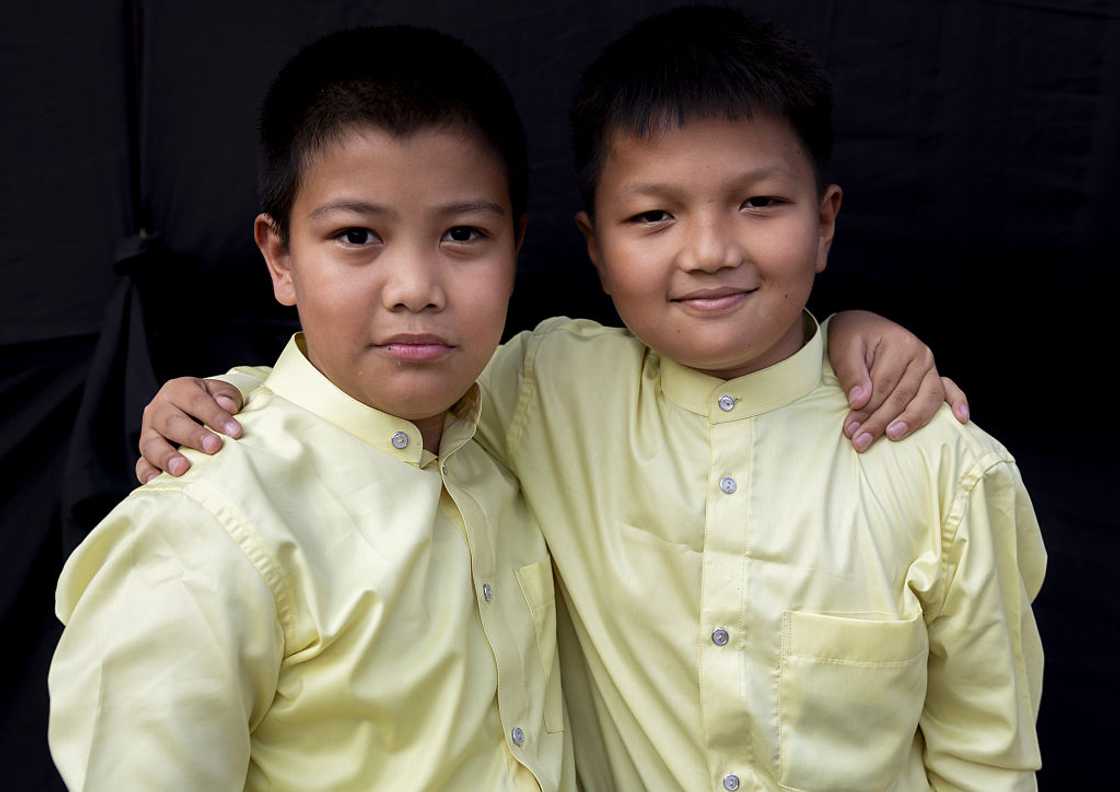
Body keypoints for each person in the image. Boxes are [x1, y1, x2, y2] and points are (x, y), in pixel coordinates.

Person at [138, 8, 1039, 791]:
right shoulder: (549, 388)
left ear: (826, 222)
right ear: (594, 249)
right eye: (654, 216)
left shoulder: (942, 466)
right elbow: (369, 389)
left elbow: (986, 762)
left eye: (760, 203)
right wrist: (224, 401)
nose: (710, 252)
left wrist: (854, 328)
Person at [48, 26, 573, 791]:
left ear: (515, 248)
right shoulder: (203, 530)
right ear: (280, 257)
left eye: (464, 234)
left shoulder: (528, 427)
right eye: (357, 236)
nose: (415, 288)